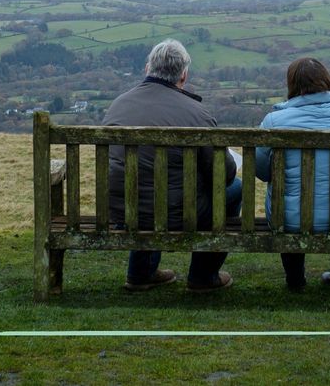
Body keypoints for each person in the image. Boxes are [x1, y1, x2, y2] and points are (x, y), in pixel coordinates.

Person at [102, 38, 240, 292]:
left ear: (147, 68)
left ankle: (141, 273)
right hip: (178, 213)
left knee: (147, 188)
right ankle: (203, 275)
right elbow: (225, 175)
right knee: (235, 190)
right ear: (183, 76)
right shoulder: (196, 114)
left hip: (121, 210)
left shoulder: (118, 105)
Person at [255, 57, 330, 292]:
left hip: (290, 219)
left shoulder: (274, 121)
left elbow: (261, 171)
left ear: (292, 85)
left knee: (290, 207)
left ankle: (295, 281)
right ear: (327, 80)